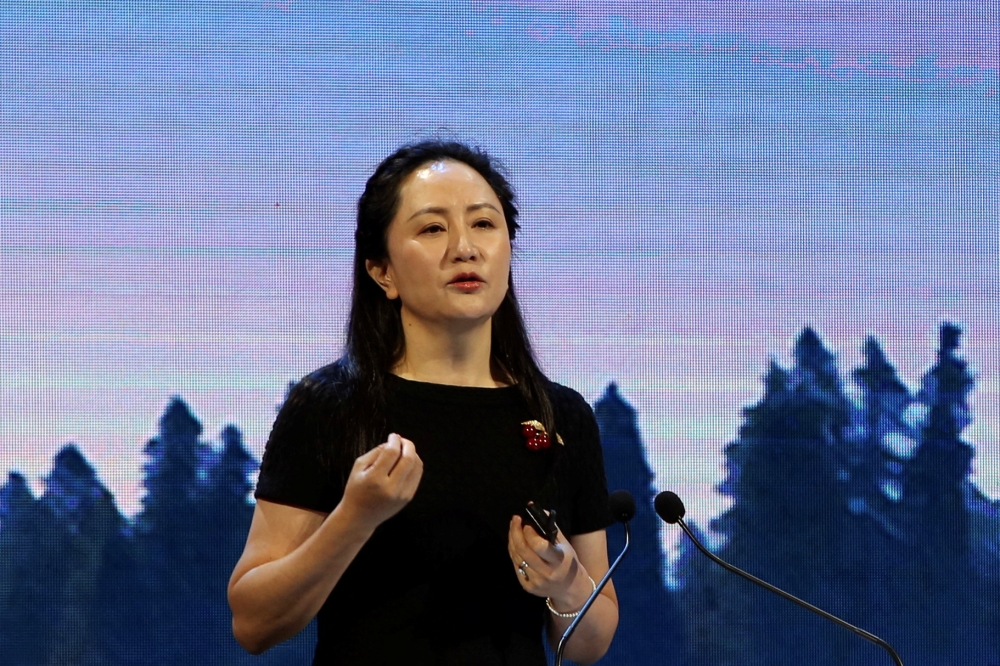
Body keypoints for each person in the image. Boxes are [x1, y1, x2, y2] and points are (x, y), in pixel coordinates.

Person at [227, 140, 619, 665]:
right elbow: (254, 624)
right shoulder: (330, 405)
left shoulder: (560, 416)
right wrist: (355, 518)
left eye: (484, 224)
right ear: (381, 271)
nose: (465, 247)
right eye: (433, 228)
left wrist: (567, 582)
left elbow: (588, 647)